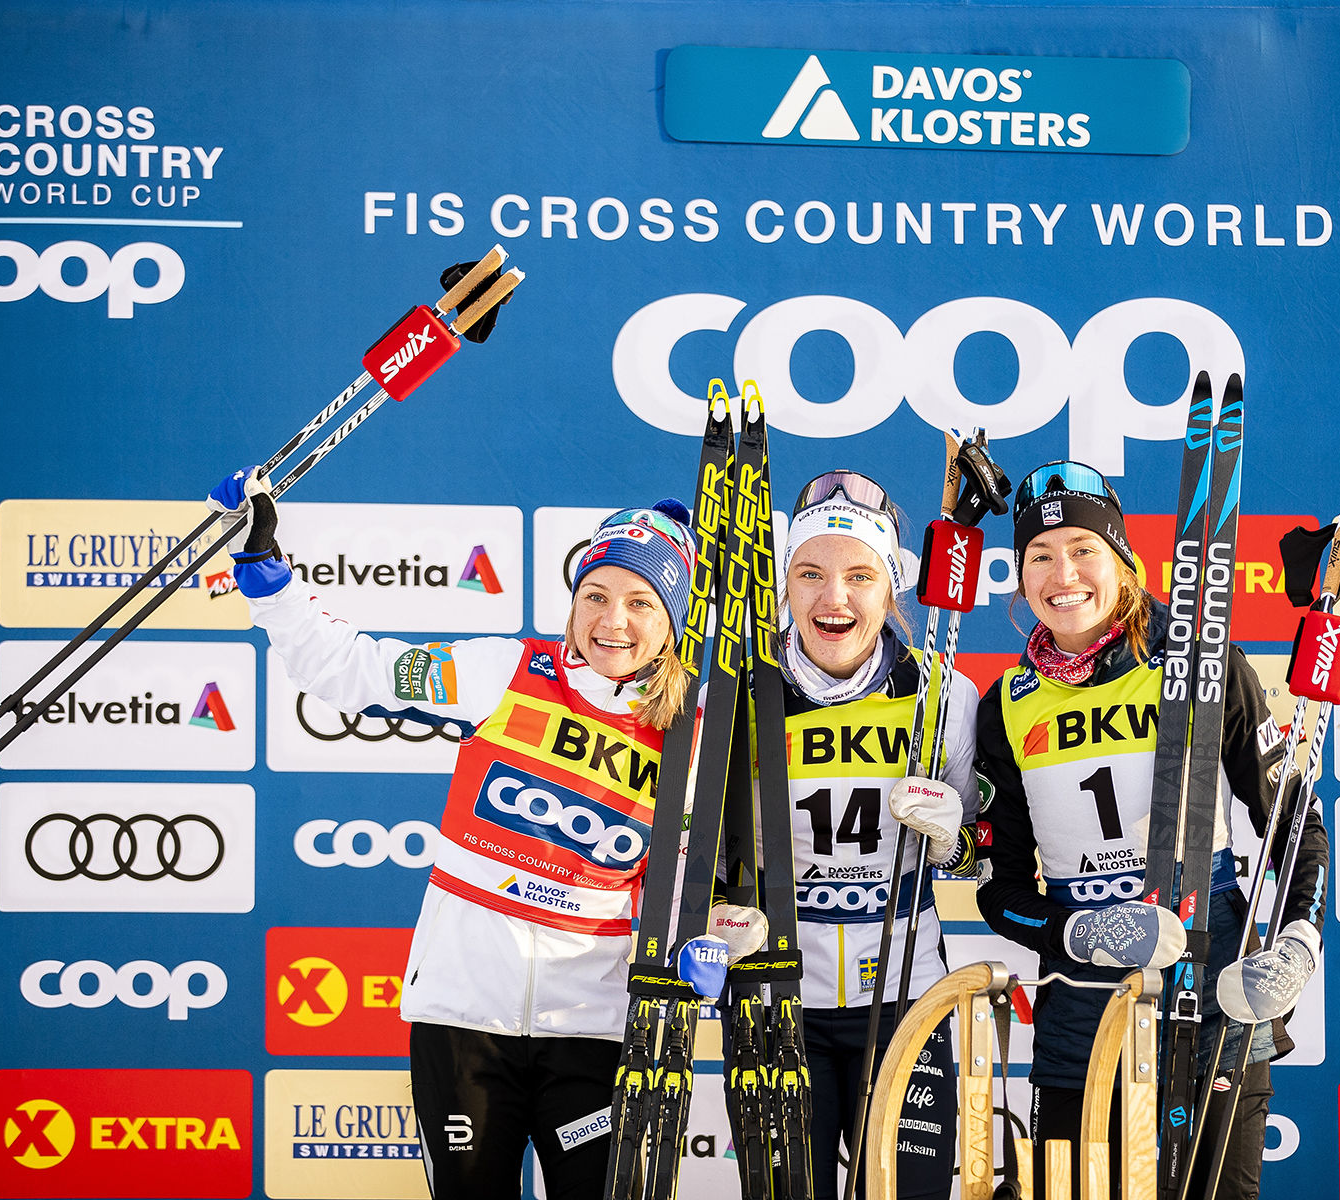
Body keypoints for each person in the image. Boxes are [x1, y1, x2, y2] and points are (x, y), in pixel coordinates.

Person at [208, 466, 759, 1199]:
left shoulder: (693, 733)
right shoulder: (504, 673)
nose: (612, 621)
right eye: (595, 595)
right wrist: (268, 578)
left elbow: (697, 892)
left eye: (640, 602)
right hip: (463, 1022)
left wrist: (711, 936)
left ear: (675, 619)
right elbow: (355, 669)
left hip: (591, 1032)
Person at [972, 462, 1330, 1200]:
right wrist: (1079, 933)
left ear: (1123, 559)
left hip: (1214, 984)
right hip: (1080, 1007)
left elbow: (1296, 825)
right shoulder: (1007, 702)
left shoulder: (1204, 663)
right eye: (1039, 556)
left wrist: (1298, 941)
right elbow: (1000, 892)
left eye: (1083, 550)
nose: (1061, 574)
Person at [765, 469, 982, 1200]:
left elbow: (991, 855)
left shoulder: (942, 695)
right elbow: (692, 851)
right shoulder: (735, 699)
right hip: (779, 1001)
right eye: (810, 574)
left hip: (905, 998)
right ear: (784, 586)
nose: (834, 599)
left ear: (891, 588)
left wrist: (955, 837)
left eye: (861, 575)